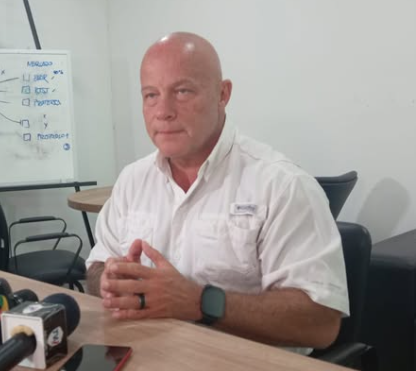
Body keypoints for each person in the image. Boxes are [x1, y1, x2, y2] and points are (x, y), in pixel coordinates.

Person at [85, 32, 348, 354]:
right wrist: (108, 282)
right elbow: (96, 265)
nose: (163, 111)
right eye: (151, 95)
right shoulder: (132, 180)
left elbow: (321, 323)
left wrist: (199, 302)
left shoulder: (282, 185)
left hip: (247, 370)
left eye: (182, 91)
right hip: (148, 357)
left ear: (223, 94)